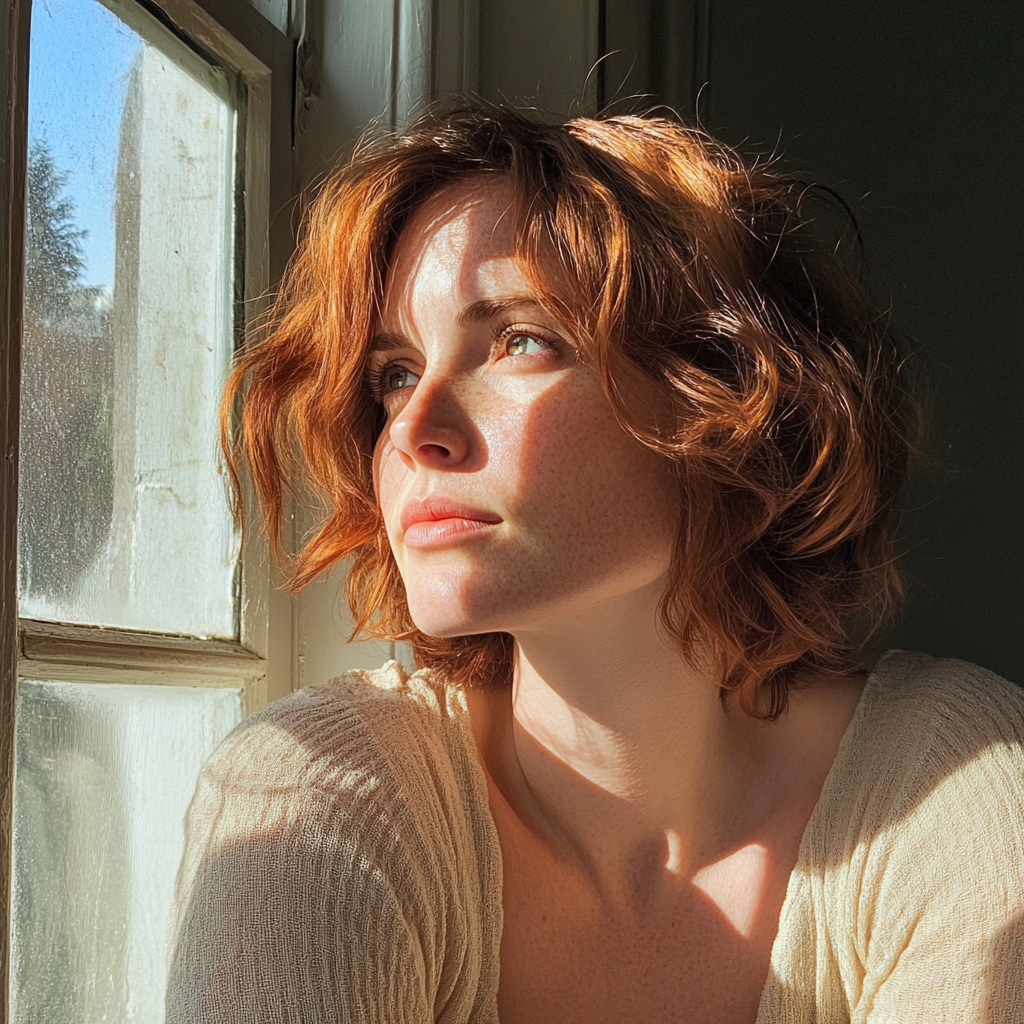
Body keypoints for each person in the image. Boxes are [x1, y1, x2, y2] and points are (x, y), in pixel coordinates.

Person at [165, 105, 1024, 1023]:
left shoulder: (963, 781)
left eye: (520, 341)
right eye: (397, 371)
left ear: (727, 393)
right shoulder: (313, 798)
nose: (413, 433)